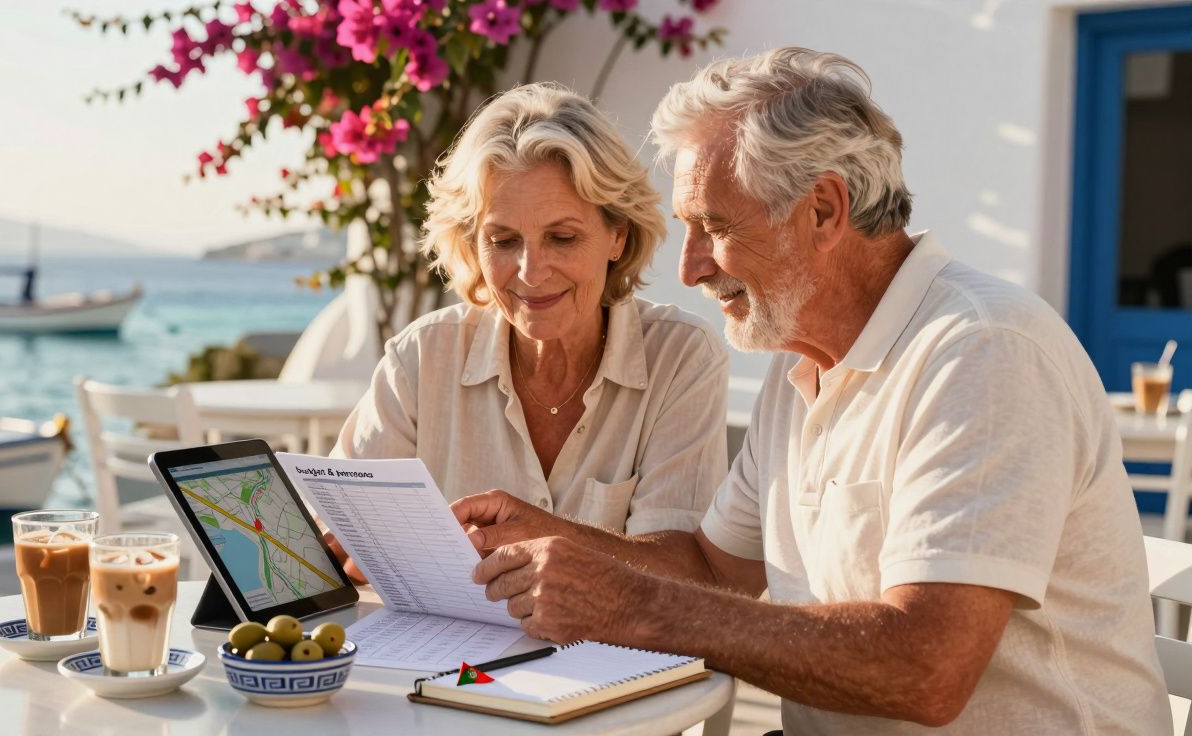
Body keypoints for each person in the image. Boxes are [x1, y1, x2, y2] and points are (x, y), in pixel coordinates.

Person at [452, 48, 1171, 733]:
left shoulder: (981, 352)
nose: (692, 268)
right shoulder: (800, 362)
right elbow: (712, 570)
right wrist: (540, 534)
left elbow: (926, 668)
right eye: (687, 230)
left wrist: (631, 603)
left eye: (715, 227)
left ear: (825, 210)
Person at [331, 83, 729, 576]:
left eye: (562, 238)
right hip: (449, 652)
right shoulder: (421, 357)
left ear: (617, 235)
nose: (530, 271)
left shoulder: (682, 356)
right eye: (503, 240)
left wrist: (540, 535)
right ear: (471, 244)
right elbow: (340, 542)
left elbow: (684, 572)